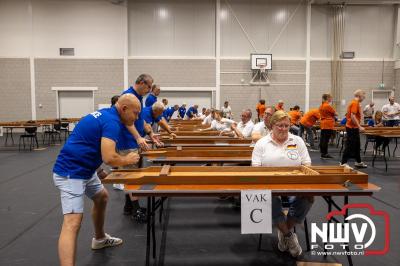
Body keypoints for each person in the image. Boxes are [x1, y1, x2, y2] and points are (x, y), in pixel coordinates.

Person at [53, 94, 141, 266]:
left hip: (86, 168)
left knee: (102, 197)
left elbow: (86, 144)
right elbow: (109, 157)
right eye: (136, 113)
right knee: (72, 222)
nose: (137, 117)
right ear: (124, 109)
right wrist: (127, 160)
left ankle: (100, 239)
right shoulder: (112, 122)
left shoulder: (106, 115)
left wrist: (98, 169)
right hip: (71, 172)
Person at [252, 110, 312, 257]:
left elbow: (307, 163)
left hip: (295, 185)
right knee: (267, 199)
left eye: (286, 125)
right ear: (272, 126)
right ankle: (289, 236)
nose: (283, 129)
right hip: (269, 186)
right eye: (280, 125)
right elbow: (256, 168)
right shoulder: (262, 143)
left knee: (309, 197)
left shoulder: (297, 141)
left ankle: (283, 230)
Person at [119, 74, 162, 222]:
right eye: (149, 86)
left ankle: (128, 206)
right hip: (127, 142)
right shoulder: (129, 96)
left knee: (132, 173)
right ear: (141, 83)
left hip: (134, 141)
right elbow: (126, 122)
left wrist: (150, 133)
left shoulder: (138, 97)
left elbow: (140, 119)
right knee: (131, 176)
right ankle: (136, 209)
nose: (150, 89)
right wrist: (138, 137)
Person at [340, 89, 368, 168]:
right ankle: (343, 163)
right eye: (363, 96)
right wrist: (359, 126)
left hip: (353, 127)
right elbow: (353, 116)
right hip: (352, 127)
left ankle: (358, 162)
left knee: (357, 145)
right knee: (350, 145)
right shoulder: (355, 103)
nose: (364, 97)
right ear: (359, 96)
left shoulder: (355, 103)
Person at [319, 94, 337, 159]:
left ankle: (322, 153)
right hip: (328, 124)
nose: (331, 99)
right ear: (328, 98)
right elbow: (335, 113)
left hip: (323, 123)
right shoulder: (328, 106)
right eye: (330, 98)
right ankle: (325, 153)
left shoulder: (321, 106)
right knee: (326, 140)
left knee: (323, 139)